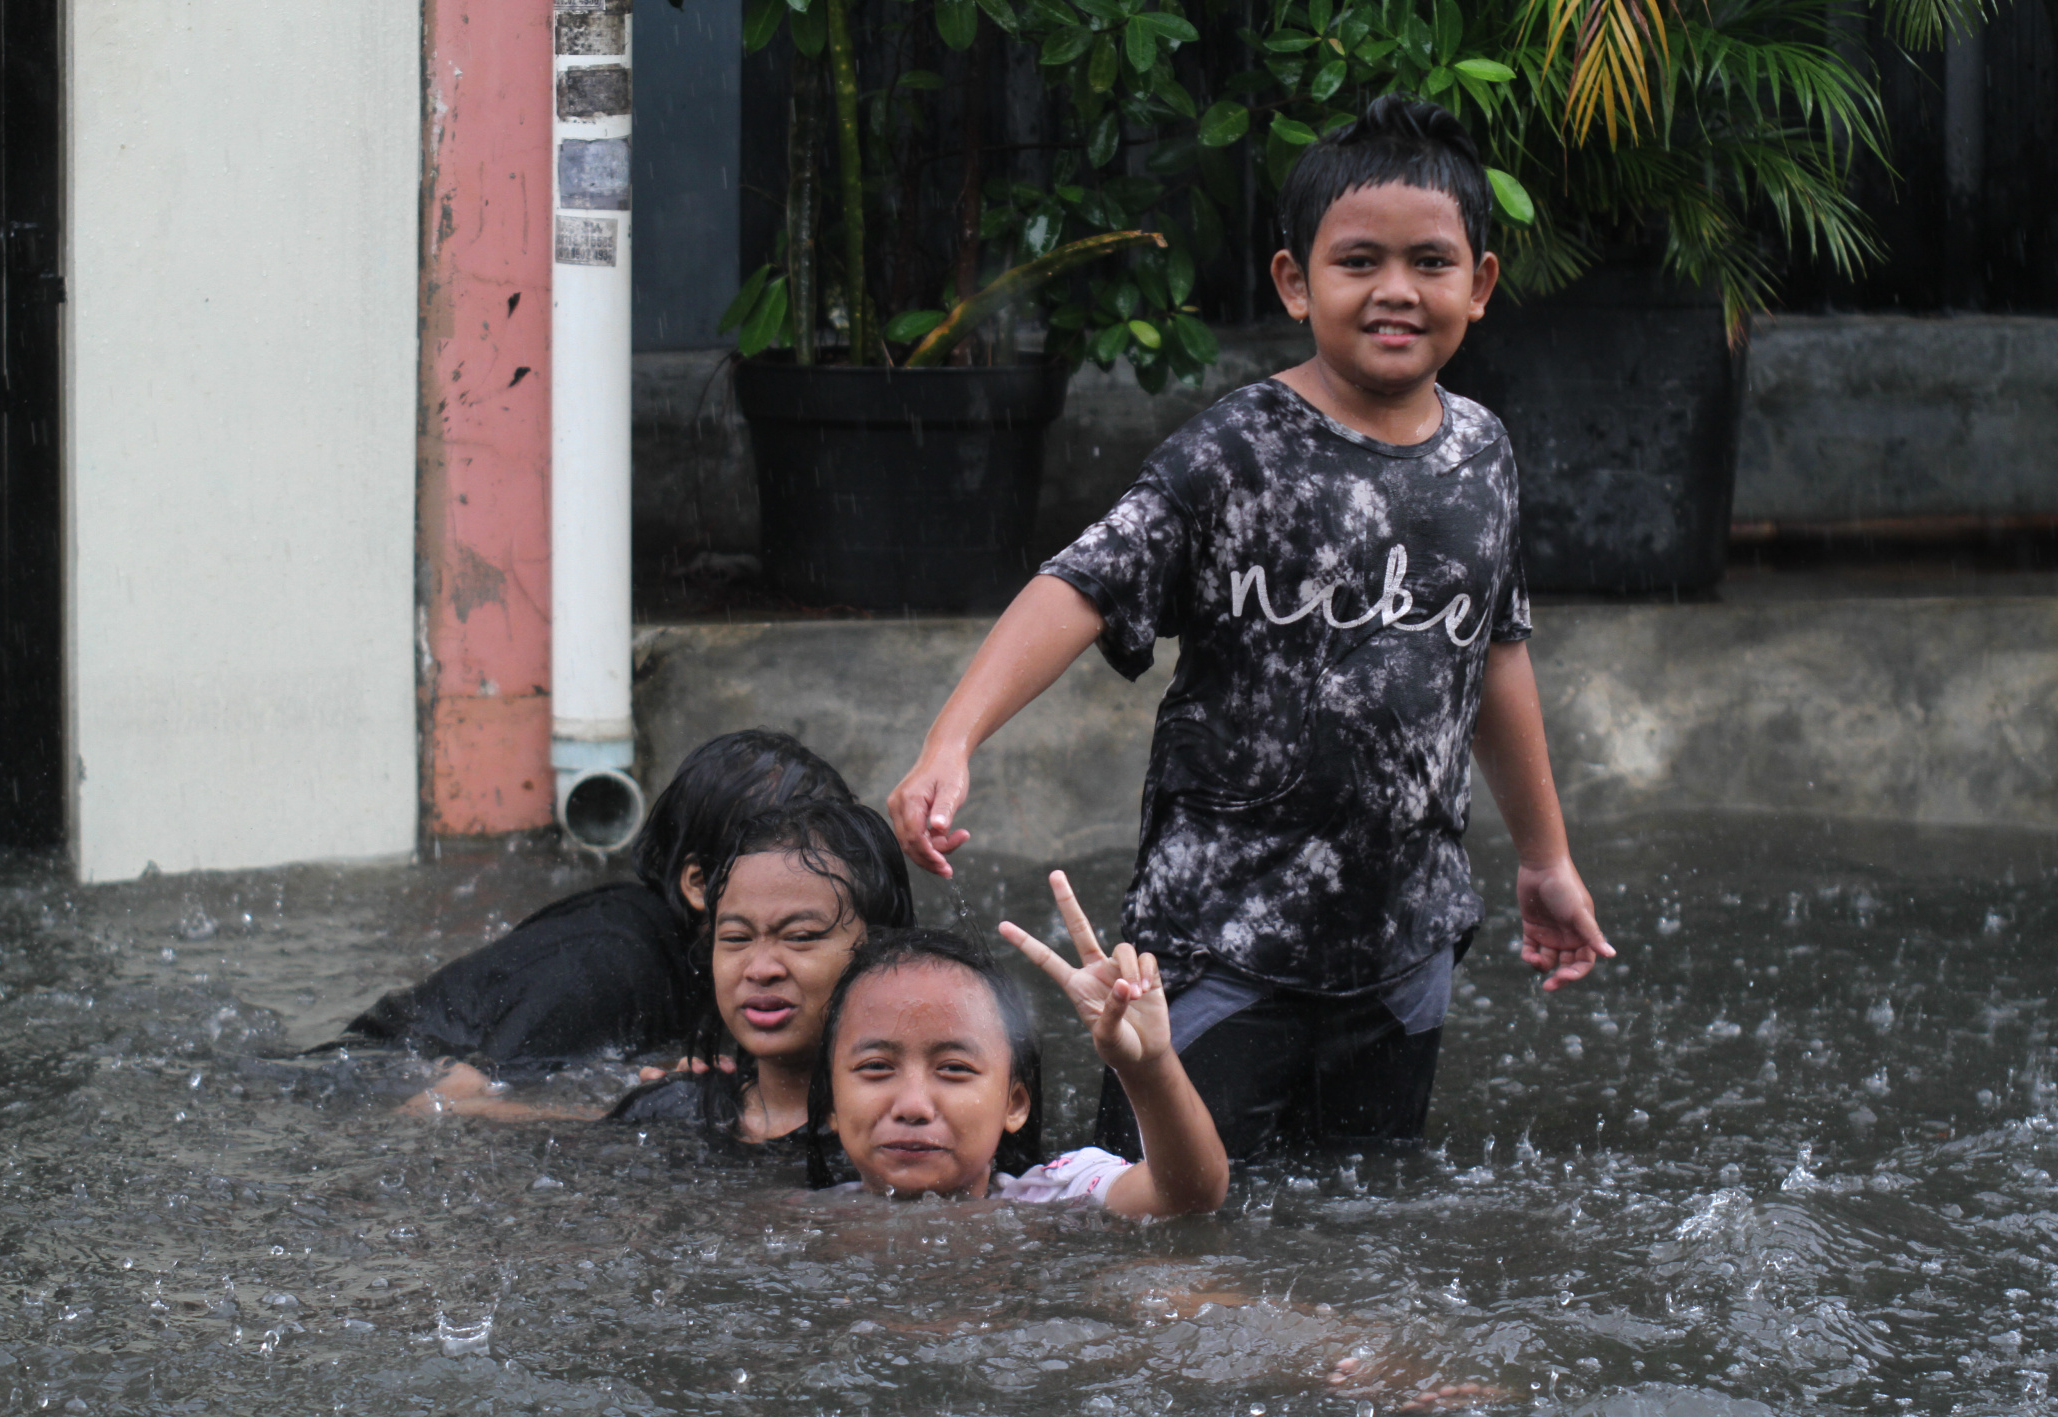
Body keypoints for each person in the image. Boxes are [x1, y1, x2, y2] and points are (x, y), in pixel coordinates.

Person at [886, 97, 1612, 1162]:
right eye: (1358, 261)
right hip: (1217, 945)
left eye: (1430, 263)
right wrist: (952, 738)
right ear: (1293, 281)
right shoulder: (1236, 453)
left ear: (1481, 284)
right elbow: (1080, 583)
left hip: (1400, 945)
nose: (1396, 291)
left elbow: (1493, 655)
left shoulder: (1483, 456)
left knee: (1359, 1231)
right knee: (1154, 1223)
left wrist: (1544, 859)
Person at [411, 799, 914, 1158]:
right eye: (736, 939)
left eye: (801, 937)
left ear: (878, 949)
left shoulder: (919, 1131)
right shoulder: (677, 1107)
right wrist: (465, 1106)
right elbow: (594, 1136)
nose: (760, 968)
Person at [338, 729, 852, 1072]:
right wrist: (670, 1108)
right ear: (698, 885)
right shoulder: (604, 965)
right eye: (781, 872)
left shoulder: (714, 959)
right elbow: (455, 1102)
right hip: (369, 1078)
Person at [806, 914, 1228, 1217]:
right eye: (877, 1066)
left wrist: (1149, 1066)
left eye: (954, 1068)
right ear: (831, 1103)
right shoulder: (806, 1220)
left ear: (1015, 1105)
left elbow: (1188, 1195)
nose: (913, 1106)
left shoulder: (1054, 1200)